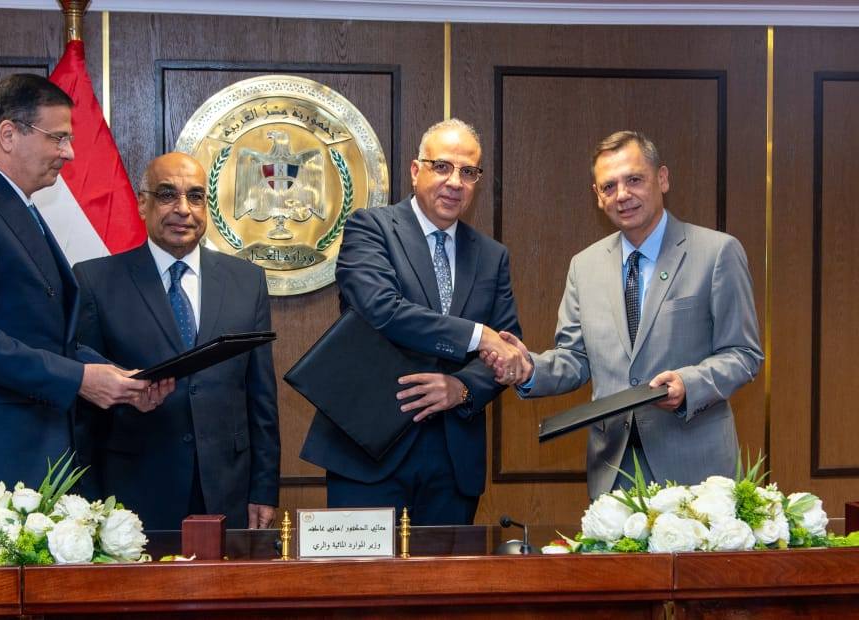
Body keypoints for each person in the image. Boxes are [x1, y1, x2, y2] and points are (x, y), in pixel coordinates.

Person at [0, 74, 172, 490]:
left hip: (25, 450)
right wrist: (79, 379)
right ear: (8, 134)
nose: (69, 153)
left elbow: (44, 336)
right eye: (58, 138)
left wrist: (119, 379)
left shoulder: (17, 207)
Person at [486, 130, 763, 498]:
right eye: (609, 186)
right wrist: (528, 369)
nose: (622, 195)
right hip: (614, 471)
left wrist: (689, 384)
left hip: (695, 469)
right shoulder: (584, 266)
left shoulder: (717, 253)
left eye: (634, 180)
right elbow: (575, 359)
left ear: (662, 178)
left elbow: (743, 354)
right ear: (597, 196)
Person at [300, 119, 523, 525]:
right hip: (368, 451)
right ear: (416, 170)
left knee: (447, 570)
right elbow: (381, 309)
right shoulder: (370, 228)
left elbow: (507, 346)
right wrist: (477, 335)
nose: (455, 182)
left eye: (468, 172)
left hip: (452, 460)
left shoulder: (492, 256)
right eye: (442, 167)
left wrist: (462, 389)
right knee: (364, 569)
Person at [73, 152, 280, 530]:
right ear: (142, 203)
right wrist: (86, 499)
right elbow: (85, 406)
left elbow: (261, 396)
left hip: (227, 489)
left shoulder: (247, 281)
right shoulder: (95, 282)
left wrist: (264, 488)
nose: (183, 209)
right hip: (132, 492)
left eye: (195, 196)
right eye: (167, 195)